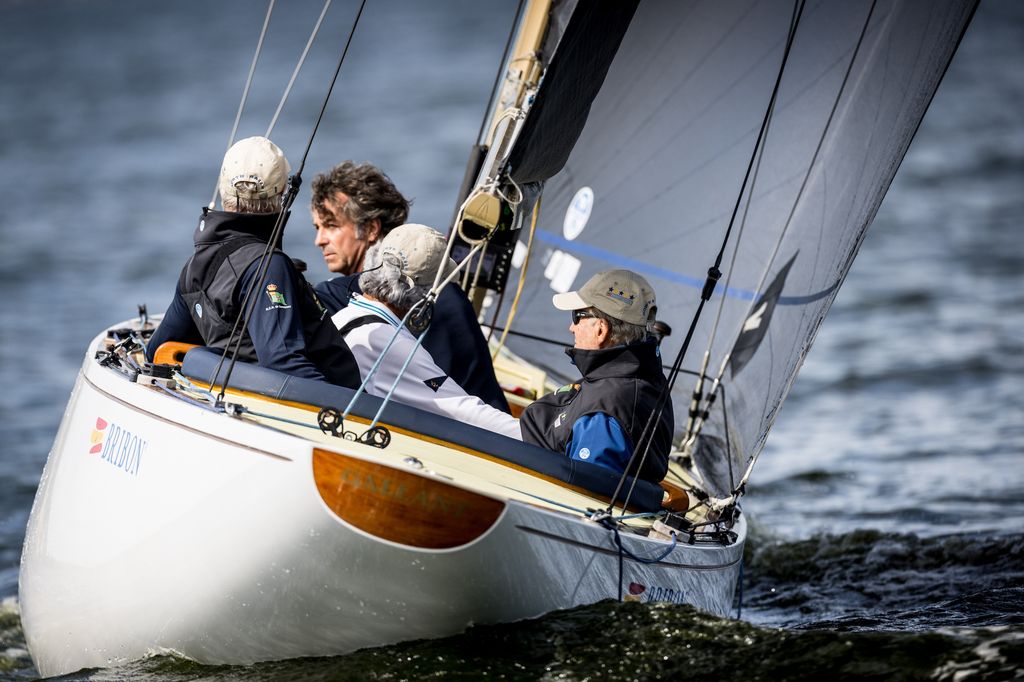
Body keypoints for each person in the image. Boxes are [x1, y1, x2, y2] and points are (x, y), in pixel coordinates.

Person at [146, 136, 358, 387]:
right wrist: (354, 411)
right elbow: (284, 363)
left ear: (224, 192)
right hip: (336, 417)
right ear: (281, 194)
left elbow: (157, 352)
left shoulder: (193, 268)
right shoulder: (268, 266)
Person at [310, 161, 510, 412]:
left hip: (472, 437)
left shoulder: (409, 295)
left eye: (331, 226)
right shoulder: (442, 287)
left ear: (371, 229)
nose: (319, 240)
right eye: (317, 228)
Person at [331, 223, 521, 440]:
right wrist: (537, 438)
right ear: (421, 293)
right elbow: (463, 410)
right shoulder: (392, 344)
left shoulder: (342, 318)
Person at [519, 270, 674, 483]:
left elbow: (583, 495)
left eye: (577, 316)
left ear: (601, 330)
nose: (571, 327)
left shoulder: (604, 415)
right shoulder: (638, 378)